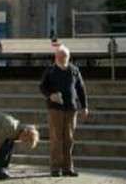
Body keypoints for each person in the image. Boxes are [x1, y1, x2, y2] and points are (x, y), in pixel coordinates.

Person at [38, 44, 89, 177]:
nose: (62, 59)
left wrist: (84, 106)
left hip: (71, 108)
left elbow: (81, 88)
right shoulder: (50, 70)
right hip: (55, 109)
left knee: (69, 139)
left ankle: (68, 168)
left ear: (68, 57)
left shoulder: (74, 70)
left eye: (65, 56)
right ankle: (55, 168)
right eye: (60, 57)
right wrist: (50, 95)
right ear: (56, 57)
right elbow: (42, 87)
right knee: (56, 138)